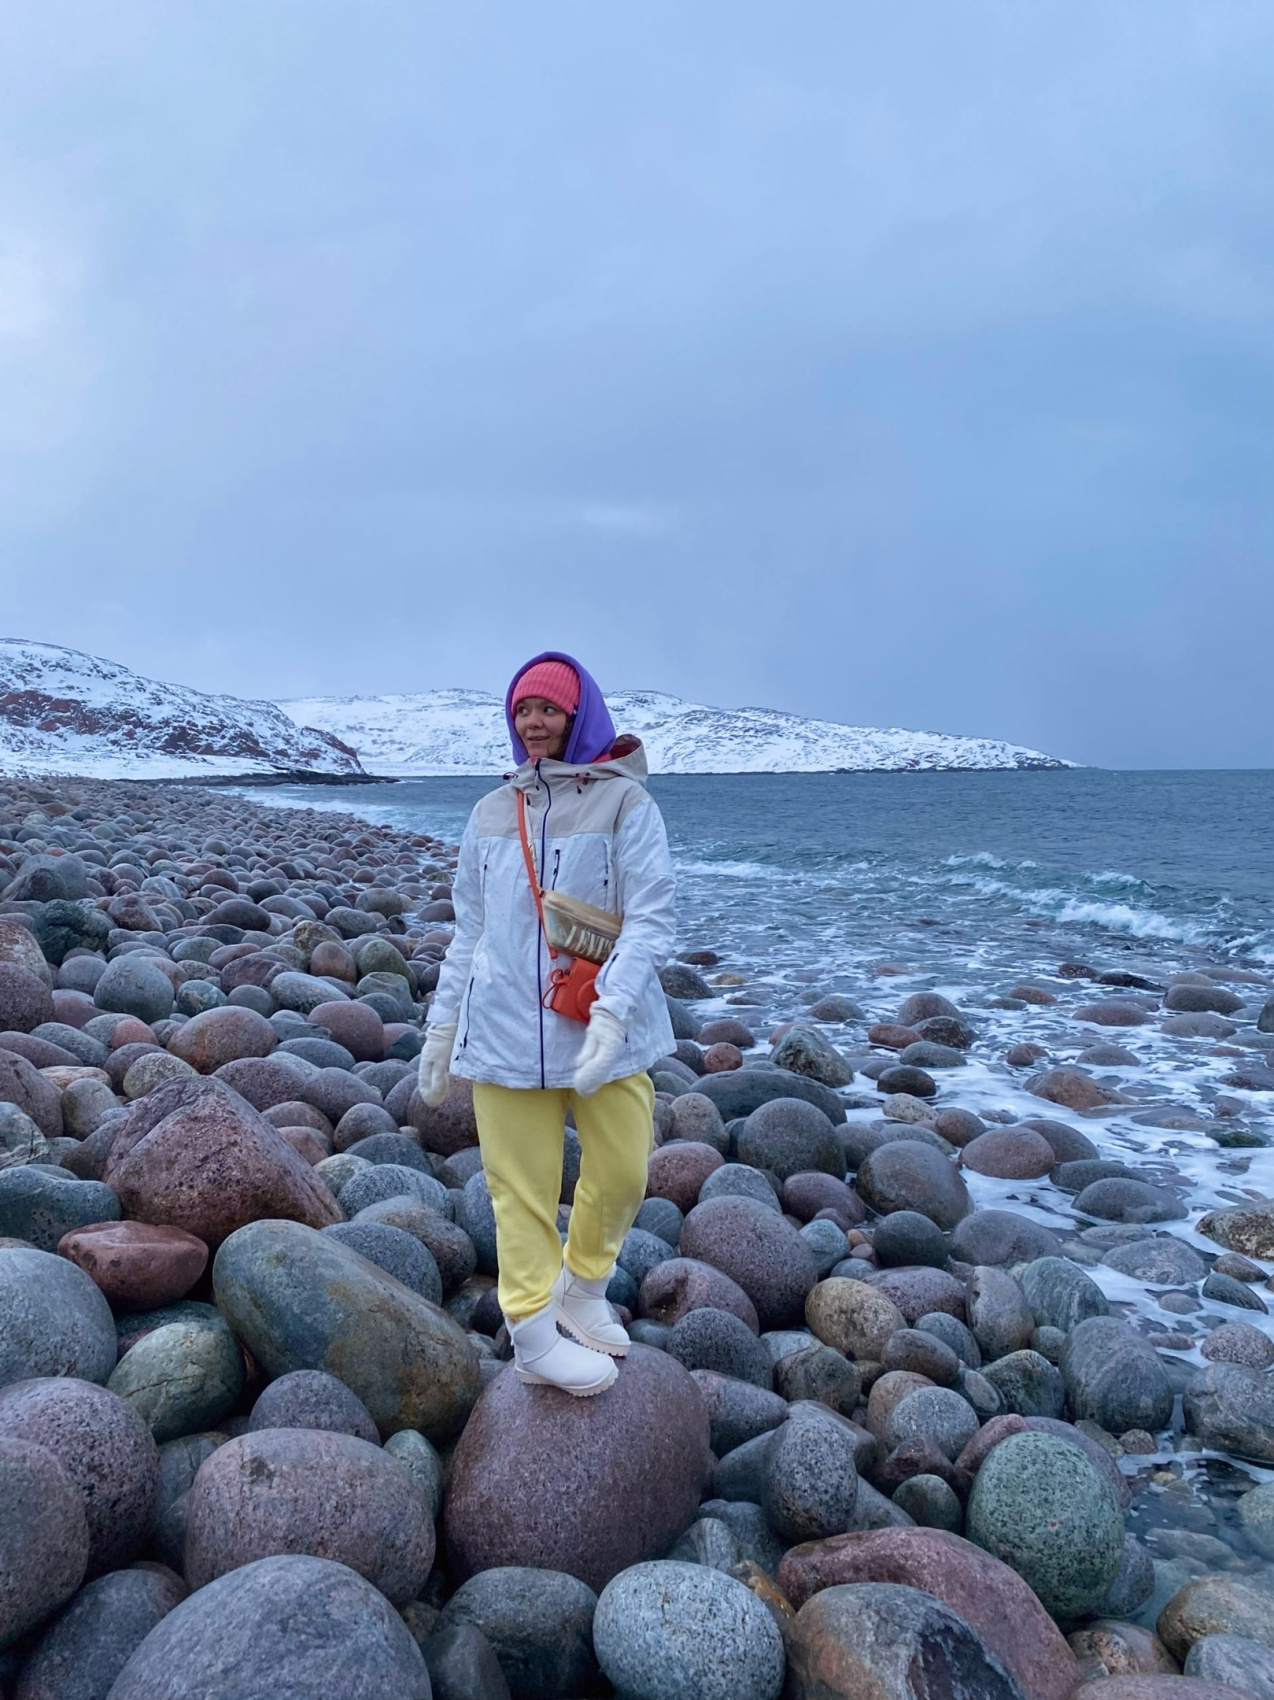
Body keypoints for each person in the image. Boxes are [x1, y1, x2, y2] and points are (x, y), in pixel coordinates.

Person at [417, 652, 676, 1395]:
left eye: (549, 710)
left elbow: (650, 917)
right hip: (502, 1028)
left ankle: (585, 1288)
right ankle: (532, 1333)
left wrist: (613, 1012)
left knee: (624, 1171)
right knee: (519, 1191)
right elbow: (469, 930)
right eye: (523, 710)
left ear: (578, 716)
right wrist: (442, 1031)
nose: (534, 722)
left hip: (605, 1027)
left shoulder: (626, 805)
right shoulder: (490, 813)